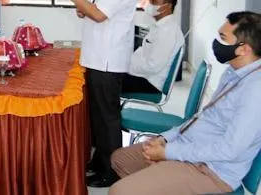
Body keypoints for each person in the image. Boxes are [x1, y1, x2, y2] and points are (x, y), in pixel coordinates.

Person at [109, 11, 261, 195]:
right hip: (189, 147)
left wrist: (168, 153)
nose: (216, 42)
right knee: (120, 159)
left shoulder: (255, 90)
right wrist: (166, 139)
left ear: (244, 49)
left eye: (223, 38)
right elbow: (202, 117)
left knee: (119, 191)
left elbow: (229, 150)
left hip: (211, 169)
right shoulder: (233, 71)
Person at [55, 0, 137, 188]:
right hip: (97, 56)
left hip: (107, 59)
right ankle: (100, 162)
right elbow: (96, 12)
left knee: (107, 118)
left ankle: (112, 171)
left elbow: (100, 15)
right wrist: (84, 8)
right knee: (98, 117)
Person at [123, 0, 184, 94]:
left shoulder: (167, 31)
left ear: (167, 6)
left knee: (104, 80)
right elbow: (142, 54)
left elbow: (153, 66)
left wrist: (125, 66)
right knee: (105, 75)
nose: (149, 5)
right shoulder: (159, 27)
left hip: (150, 83)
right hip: (143, 76)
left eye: (153, 2)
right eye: (149, 0)